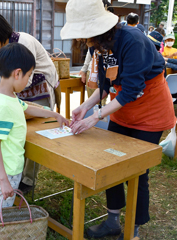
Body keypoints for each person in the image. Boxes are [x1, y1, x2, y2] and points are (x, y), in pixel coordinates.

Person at [60, 0, 175, 239]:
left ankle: (133, 229)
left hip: (149, 111)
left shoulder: (132, 40)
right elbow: (106, 85)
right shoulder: (98, 45)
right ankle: (113, 220)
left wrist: (96, 117)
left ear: (98, 28)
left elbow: (132, 90)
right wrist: (86, 106)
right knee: (110, 163)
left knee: (137, 171)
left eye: (85, 36)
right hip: (121, 110)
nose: (84, 41)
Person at [0, 12, 60, 194]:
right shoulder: (5, 53)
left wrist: (3, 88)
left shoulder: (24, 43)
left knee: (35, 133)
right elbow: (7, 74)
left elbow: (21, 80)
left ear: (0, 32)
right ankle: (14, 172)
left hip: (40, 86)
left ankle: (27, 180)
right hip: (20, 88)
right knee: (19, 131)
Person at [0, 43, 69, 209]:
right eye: (29, 75)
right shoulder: (4, 106)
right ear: (17, 73)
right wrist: (4, 180)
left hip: (9, 164)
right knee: (0, 202)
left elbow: (26, 107)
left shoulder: (6, 95)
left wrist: (55, 114)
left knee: (1, 200)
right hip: (6, 168)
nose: (29, 80)